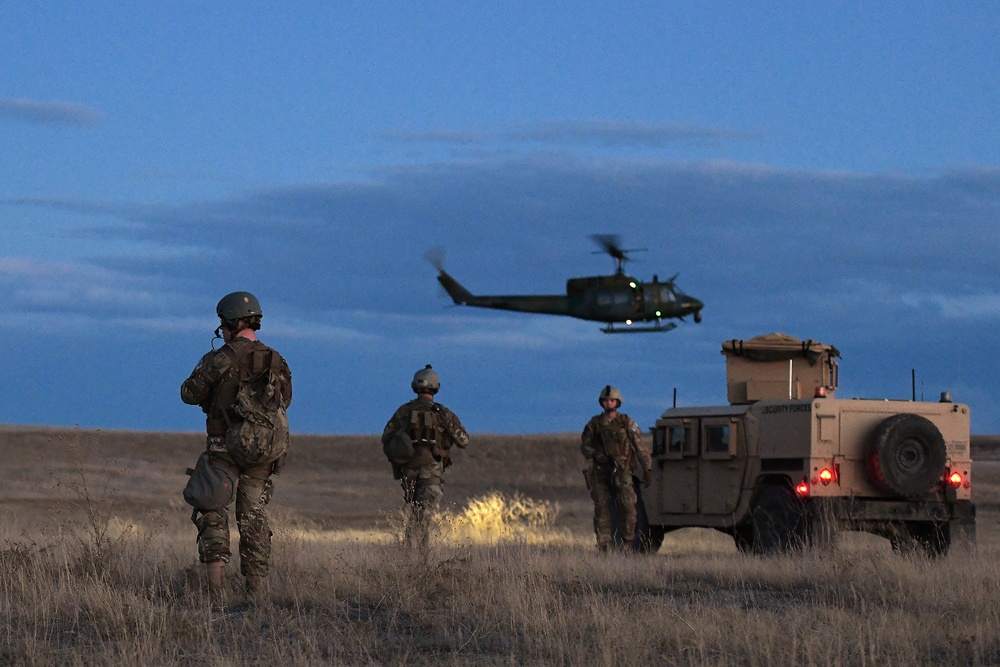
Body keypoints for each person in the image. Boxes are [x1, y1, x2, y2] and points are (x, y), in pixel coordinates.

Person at [181, 291, 292, 600]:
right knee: (253, 517)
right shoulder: (276, 360)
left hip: (222, 448)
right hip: (262, 451)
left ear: (231, 322)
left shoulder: (220, 358)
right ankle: (255, 593)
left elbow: (189, 393)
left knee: (213, 510)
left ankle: (215, 592)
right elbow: (286, 401)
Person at [381, 365, 469, 546]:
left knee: (419, 513)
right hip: (431, 471)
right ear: (436, 387)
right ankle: (411, 552)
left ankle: (420, 560)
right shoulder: (443, 413)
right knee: (423, 515)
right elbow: (463, 440)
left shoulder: (404, 412)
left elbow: (387, 438)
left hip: (408, 472)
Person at [581, 385, 652, 552]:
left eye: (612, 400)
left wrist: (647, 469)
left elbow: (639, 447)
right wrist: (597, 454)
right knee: (602, 510)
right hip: (601, 472)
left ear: (617, 402)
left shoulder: (626, 422)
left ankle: (627, 544)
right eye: (605, 401)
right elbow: (585, 447)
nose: (608, 404)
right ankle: (604, 547)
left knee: (628, 508)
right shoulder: (595, 424)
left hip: (622, 471)